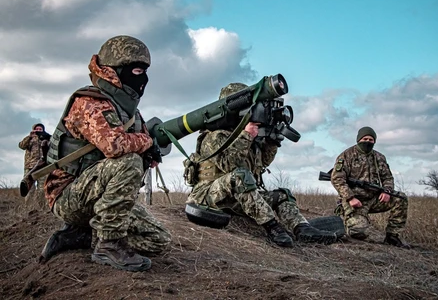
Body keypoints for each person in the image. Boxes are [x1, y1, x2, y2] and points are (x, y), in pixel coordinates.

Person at [41, 35, 171, 272]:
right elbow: (115, 145)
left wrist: (149, 154)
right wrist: (146, 143)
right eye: (136, 71)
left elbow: (138, 144)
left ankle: (82, 235)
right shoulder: (89, 102)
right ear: (114, 71)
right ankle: (109, 244)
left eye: (144, 71)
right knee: (129, 162)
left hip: (95, 195)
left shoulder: (128, 109)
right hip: (68, 195)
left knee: (159, 240)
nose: (142, 78)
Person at [186, 83, 337, 247]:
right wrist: (246, 136)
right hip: (208, 196)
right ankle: (272, 227)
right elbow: (230, 165)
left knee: (283, 194)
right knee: (240, 176)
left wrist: (271, 143)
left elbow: (261, 164)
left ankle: (303, 229)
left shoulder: (251, 136)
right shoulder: (215, 136)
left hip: (237, 200)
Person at [330, 126, 409, 248]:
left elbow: (388, 178)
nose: (367, 141)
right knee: (358, 233)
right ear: (358, 139)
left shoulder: (379, 157)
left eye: (371, 140)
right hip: (355, 201)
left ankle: (392, 236)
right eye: (365, 138)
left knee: (401, 199)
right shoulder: (346, 155)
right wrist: (350, 198)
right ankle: (348, 218)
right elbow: (337, 178)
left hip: (375, 198)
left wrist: (387, 191)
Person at [18, 123, 50, 208]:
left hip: (42, 167)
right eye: (37, 129)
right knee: (29, 189)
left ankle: (41, 208)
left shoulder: (46, 138)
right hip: (30, 167)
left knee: (42, 189)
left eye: (40, 129)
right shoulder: (30, 139)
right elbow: (21, 146)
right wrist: (29, 137)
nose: (39, 131)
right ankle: (28, 208)